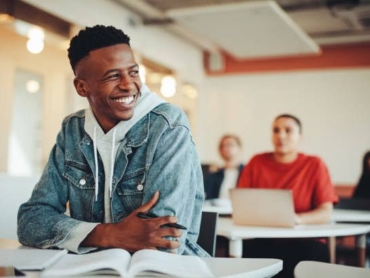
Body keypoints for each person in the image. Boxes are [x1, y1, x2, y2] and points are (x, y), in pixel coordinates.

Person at [17, 25, 208, 257]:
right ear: (81, 87)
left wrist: (85, 235)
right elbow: (31, 220)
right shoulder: (73, 130)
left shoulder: (167, 125)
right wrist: (111, 234)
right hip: (89, 267)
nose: (128, 84)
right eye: (113, 76)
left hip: (160, 270)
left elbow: (164, 240)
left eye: (134, 72)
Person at [237, 113, 338, 278]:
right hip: (263, 238)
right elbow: (241, 203)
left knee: (310, 253)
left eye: (288, 130)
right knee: (244, 252)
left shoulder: (314, 164)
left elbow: (325, 211)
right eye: (276, 130)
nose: (281, 136)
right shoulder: (257, 162)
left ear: (300, 137)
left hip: (304, 241)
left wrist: (298, 219)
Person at [204, 134, 244, 201]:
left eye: (230, 145)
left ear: (239, 148)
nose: (225, 148)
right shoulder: (214, 175)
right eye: (222, 146)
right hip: (217, 210)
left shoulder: (247, 172)